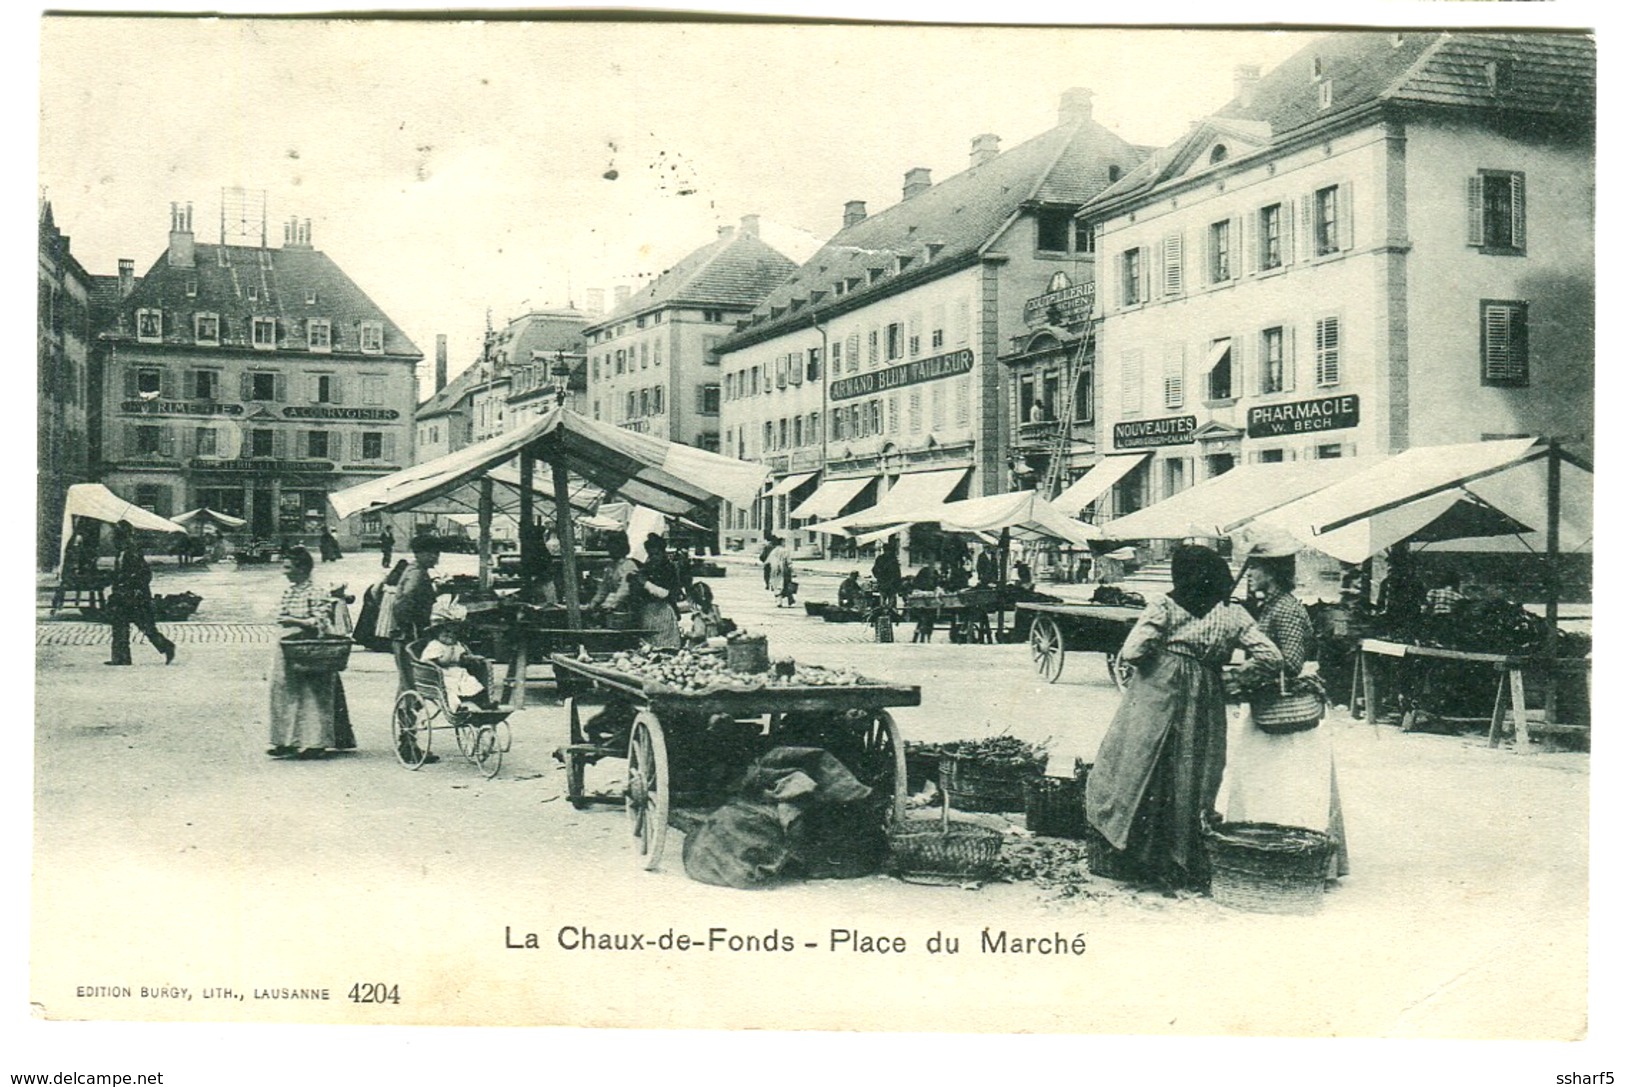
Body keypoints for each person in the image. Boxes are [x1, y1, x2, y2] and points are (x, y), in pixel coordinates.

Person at [1085, 545, 1283, 893]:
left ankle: (1133, 854)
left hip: (1157, 693)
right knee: (1193, 774)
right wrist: (1234, 680)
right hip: (1205, 696)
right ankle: (1182, 858)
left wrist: (1160, 657)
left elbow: (1132, 651)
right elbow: (1271, 656)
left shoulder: (1164, 604)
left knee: (1139, 764)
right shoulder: (1233, 612)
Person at [1221, 547, 1350, 881]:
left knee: (1288, 786)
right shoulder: (1273, 606)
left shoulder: (1286, 609)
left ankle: (1291, 861)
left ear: (1274, 572)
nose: (1250, 574)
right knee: (1265, 783)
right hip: (1272, 709)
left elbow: (1290, 661)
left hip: (1289, 715)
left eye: (1256, 568)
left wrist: (1242, 675)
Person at [266, 547, 340, 759]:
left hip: (308, 647)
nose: (284, 571)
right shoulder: (290, 591)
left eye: (288, 567)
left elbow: (321, 621)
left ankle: (314, 742)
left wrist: (294, 621)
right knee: (283, 692)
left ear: (302, 569)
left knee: (311, 693)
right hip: (286, 647)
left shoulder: (316, 591)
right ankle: (285, 740)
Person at [105, 521, 176, 666]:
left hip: (135, 597)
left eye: (115, 536)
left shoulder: (131, 551)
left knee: (145, 626)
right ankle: (121, 658)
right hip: (123, 595)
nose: (112, 539)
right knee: (120, 625)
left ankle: (166, 646)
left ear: (121, 537)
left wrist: (134, 588)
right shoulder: (123, 552)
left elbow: (144, 574)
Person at [418, 602, 493, 713]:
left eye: (454, 633)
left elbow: (462, 657)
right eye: (446, 632)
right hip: (441, 674)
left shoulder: (457, 645)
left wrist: (471, 658)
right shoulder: (435, 645)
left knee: (472, 681)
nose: (450, 635)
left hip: (457, 672)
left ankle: (482, 702)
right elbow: (440, 662)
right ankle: (456, 707)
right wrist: (449, 653)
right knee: (449, 690)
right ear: (437, 632)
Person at [391, 536, 441, 695]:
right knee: (410, 677)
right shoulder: (417, 573)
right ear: (419, 554)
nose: (435, 558)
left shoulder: (417, 570)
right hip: (408, 633)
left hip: (409, 631)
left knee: (408, 678)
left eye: (437, 554)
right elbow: (405, 599)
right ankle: (406, 713)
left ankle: (406, 714)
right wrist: (408, 627)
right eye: (431, 554)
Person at [633, 534, 683, 647]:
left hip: (663, 611)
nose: (653, 557)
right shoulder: (647, 567)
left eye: (656, 554)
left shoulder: (668, 569)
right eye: (651, 554)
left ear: (662, 552)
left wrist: (645, 583)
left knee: (663, 644)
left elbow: (666, 594)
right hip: (648, 612)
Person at [587, 531, 638, 629]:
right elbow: (604, 588)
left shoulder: (629, 565)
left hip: (626, 608)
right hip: (612, 609)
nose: (609, 549)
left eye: (612, 546)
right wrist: (594, 602)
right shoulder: (611, 567)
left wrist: (612, 604)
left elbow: (624, 589)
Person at [872, 538, 903, 608]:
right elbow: (875, 570)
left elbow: (897, 573)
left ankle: (890, 615)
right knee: (884, 603)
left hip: (890, 585)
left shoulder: (890, 559)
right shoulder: (884, 559)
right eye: (887, 550)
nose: (888, 552)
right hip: (886, 585)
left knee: (891, 604)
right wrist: (880, 578)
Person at [770, 538, 797, 608]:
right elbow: (789, 561)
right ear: (781, 542)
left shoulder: (774, 551)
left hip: (775, 570)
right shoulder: (785, 550)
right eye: (784, 542)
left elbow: (770, 560)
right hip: (784, 569)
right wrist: (792, 570)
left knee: (777, 585)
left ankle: (779, 601)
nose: (785, 543)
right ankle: (790, 601)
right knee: (787, 584)